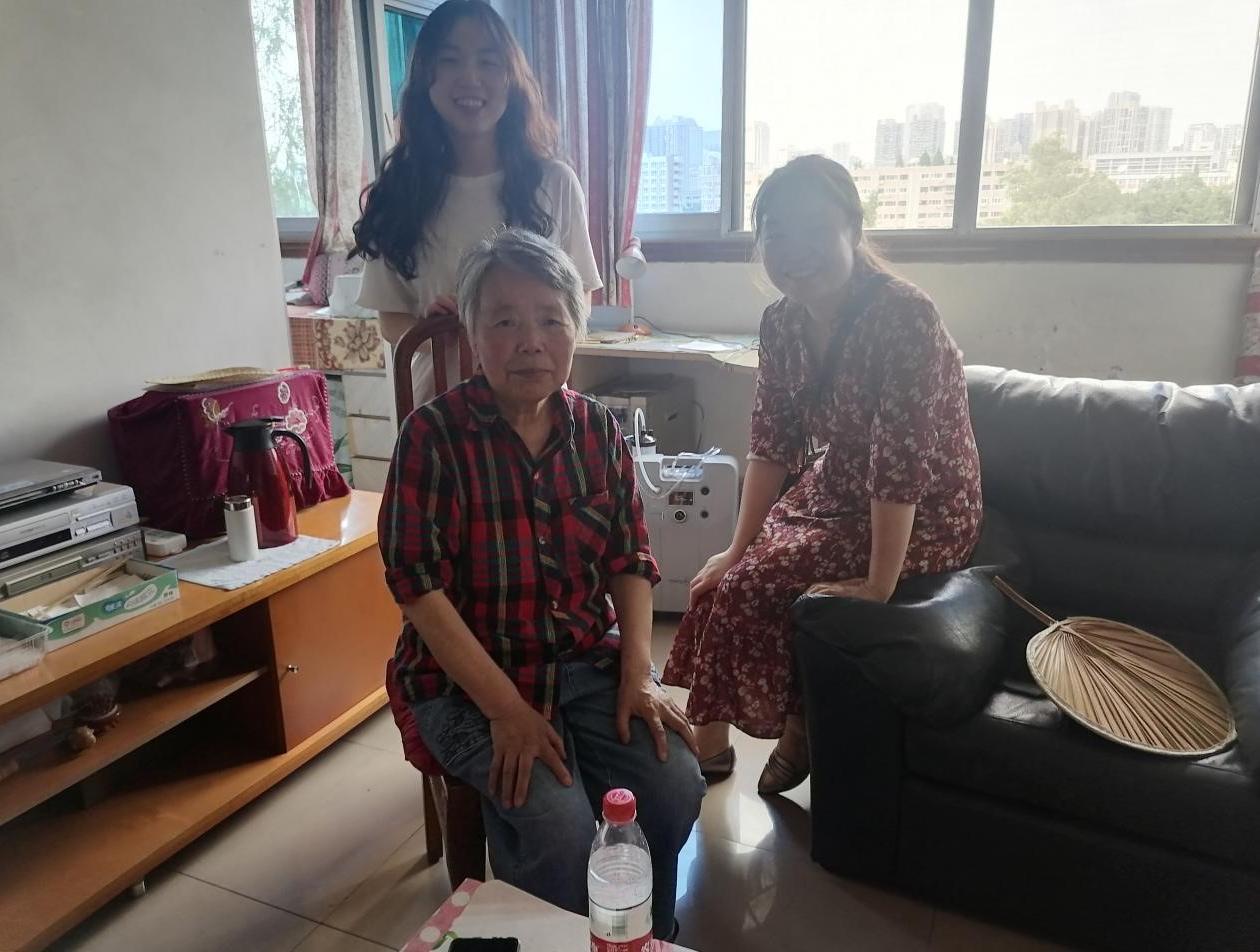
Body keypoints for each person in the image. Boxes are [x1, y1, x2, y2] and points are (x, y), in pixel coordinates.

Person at [378, 229, 704, 940]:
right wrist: (505, 709)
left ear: (577, 328)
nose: (530, 342)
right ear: (472, 333)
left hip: (586, 661)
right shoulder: (432, 438)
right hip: (467, 682)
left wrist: (638, 671)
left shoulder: (597, 431)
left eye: (551, 319)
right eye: (504, 321)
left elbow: (629, 556)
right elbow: (417, 589)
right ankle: (551, 941)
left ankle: (644, 936)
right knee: (559, 832)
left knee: (675, 785)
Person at [662, 155, 983, 795]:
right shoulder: (781, 322)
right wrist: (735, 547)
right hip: (838, 485)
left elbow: (900, 466)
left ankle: (799, 724)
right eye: (776, 233)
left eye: (814, 228)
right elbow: (771, 443)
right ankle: (713, 741)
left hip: (927, 507)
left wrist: (878, 583)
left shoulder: (904, 316)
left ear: (853, 229)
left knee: (760, 581)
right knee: (724, 577)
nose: (793, 250)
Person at [352, 0, 601, 404]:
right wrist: (434, 328)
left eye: (488, 61)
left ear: (510, 78)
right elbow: (390, 319)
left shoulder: (555, 183)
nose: (470, 78)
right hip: (437, 412)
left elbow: (580, 298)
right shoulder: (397, 192)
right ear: (426, 76)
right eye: (450, 60)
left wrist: (528, 321)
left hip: (535, 409)